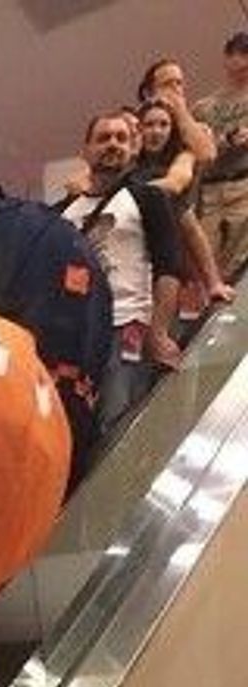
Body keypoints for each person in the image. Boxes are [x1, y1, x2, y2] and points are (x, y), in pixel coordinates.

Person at [61, 111, 184, 434]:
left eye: (121, 138)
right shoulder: (64, 211)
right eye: (103, 138)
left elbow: (169, 266)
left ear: (133, 149)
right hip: (74, 336)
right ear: (86, 150)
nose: (113, 144)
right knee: (72, 427)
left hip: (126, 328)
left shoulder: (148, 198)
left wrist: (158, 333)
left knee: (116, 424)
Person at [138, 94, 233, 311]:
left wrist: (214, 283)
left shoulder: (182, 158)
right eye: (149, 124)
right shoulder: (129, 167)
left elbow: (190, 227)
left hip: (171, 264)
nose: (156, 131)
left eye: (163, 124)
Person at [192, 32, 248, 284]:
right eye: (238, 54)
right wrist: (225, 141)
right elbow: (192, 150)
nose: (243, 62)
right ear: (227, 58)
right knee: (208, 263)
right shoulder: (204, 107)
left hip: (245, 184)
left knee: (241, 262)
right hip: (211, 189)